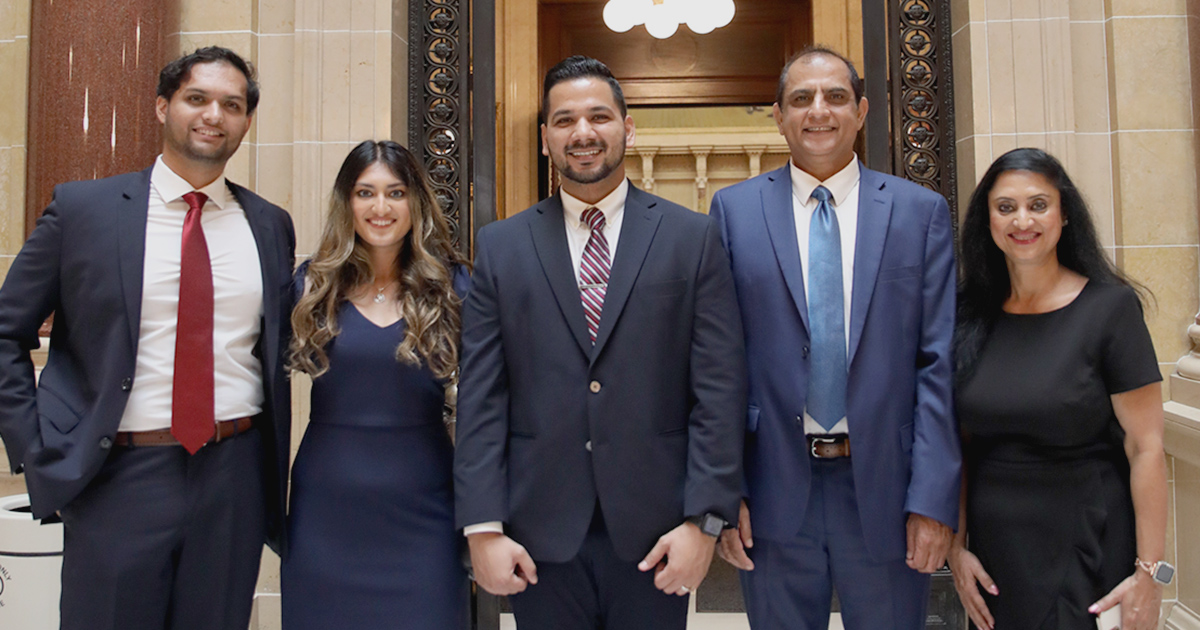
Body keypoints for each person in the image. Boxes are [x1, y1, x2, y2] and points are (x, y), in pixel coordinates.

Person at [0, 47, 295, 630]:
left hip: (233, 476)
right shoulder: (84, 211)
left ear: (246, 122)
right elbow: (6, 332)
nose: (214, 114)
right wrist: (39, 447)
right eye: (196, 98)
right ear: (162, 107)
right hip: (117, 478)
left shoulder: (268, 224)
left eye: (231, 105)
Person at [453, 55, 747, 630]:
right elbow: (482, 399)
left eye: (599, 117)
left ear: (628, 128)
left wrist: (703, 521)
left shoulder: (692, 238)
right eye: (563, 121)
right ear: (545, 139)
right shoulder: (501, 247)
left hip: (658, 533)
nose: (582, 133)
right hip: (538, 534)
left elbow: (718, 390)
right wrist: (482, 527)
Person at [709, 46, 960, 630]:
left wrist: (931, 499)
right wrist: (726, 492)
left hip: (887, 492)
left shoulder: (918, 212)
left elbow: (938, 364)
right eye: (801, 98)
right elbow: (720, 365)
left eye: (835, 97)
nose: (818, 111)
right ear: (778, 114)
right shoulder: (734, 212)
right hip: (773, 492)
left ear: (862, 110)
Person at [948, 147, 1170, 630]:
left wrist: (1150, 574)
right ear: (986, 220)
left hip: (1087, 542)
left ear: (1065, 214)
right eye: (1005, 207)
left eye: (1038, 204)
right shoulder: (967, 313)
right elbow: (960, 446)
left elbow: (1146, 446)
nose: (1022, 220)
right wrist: (955, 550)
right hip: (996, 555)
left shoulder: (1110, 309)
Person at [281, 140, 470, 629]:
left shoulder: (455, 287)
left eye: (396, 193)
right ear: (347, 202)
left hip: (426, 509)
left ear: (417, 204)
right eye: (366, 193)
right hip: (326, 510)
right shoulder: (309, 287)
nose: (380, 208)